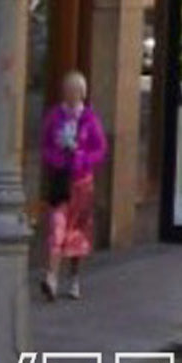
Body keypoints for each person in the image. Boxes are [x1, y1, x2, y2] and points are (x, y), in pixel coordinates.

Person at [39, 71, 108, 301]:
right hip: (61, 181)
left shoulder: (89, 119)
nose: (69, 94)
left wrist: (82, 158)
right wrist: (56, 158)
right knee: (57, 227)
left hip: (81, 183)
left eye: (74, 91)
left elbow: (100, 149)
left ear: (82, 93)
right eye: (67, 90)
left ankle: (74, 278)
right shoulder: (55, 116)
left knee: (77, 232)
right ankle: (51, 278)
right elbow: (45, 145)